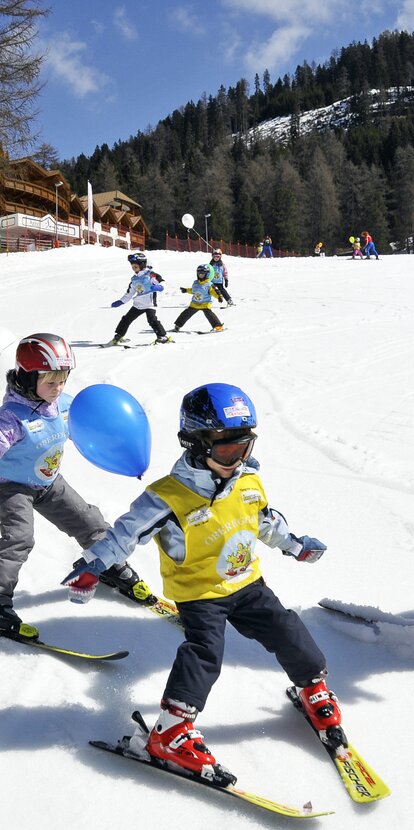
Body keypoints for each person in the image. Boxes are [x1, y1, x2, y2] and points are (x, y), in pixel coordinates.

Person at [63, 382, 345, 786]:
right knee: (205, 652)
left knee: (288, 629)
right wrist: (93, 565)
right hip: (200, 595)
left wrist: (295, 545)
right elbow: (124, 534)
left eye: (244, 448)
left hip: (247, 584)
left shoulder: (248, 481)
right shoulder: (167, 497)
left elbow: (265, 522)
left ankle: (313, 689)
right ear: (195, 443)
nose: (237, 459)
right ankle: (170, 732)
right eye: (227, 450)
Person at [0, 333, 156, 637]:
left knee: (90, 521)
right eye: (50, 382)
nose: (58, 388)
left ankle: (107, 563)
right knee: (18, 539)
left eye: (62, 381)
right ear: (27, 378)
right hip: (12, 488)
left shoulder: (61, 404)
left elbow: (89, 423)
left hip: (48, 482)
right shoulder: (10, 418)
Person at [109, 252, 169, 345]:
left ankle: (162, 336)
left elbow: (162, 282)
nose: (134, 269)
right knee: (126, 319)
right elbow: (130, 293)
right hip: (138, 304)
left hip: (150, 303)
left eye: (135, 267)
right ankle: (119, 336)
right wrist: (121, 301)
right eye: (132, 267)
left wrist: (159, 287)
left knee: (152, 320)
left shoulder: (151, 275)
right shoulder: (134, 279)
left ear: (142, 265)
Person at [173, 264, 224, 333]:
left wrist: (219, 297)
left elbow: (214, 292)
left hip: (205, 304)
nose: (200, 274)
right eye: (199, 273)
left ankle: (218, 326)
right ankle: (177, 326)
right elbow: (194, 290)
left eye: (202, 273)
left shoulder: (209, 284)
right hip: (195, 303)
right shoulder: (196, 283)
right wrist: (186, 290)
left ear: (207, 274)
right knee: (185, 314)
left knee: (210, 315)